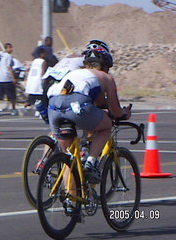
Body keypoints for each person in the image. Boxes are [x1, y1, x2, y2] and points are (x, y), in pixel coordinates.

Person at [47, 41, 131, 184]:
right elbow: (115, 110)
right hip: (77, 105)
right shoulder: (106, 77)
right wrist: (124, 114)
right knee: (106, 126)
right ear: (105, 65)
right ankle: (91, 162)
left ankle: (71, 199)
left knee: (70, 157)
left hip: (53, 105)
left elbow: (99, 103)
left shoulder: (75, 73)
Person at [0, 43, 18, 116]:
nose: (11, 49)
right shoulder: (8, 56)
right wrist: (13, 78)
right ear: (6, 48)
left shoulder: (0, 55)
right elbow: (9, 67)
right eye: (10, 48)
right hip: (7, 78)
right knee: (11, 95)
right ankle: (13, 110)